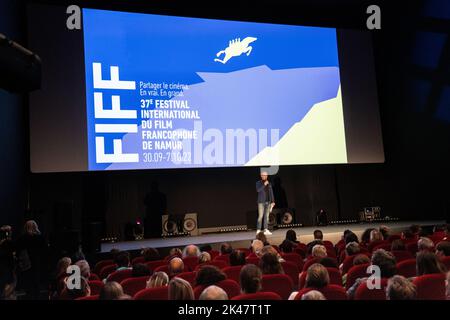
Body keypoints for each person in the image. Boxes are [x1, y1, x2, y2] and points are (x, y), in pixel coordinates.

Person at [15, 220, 47, 300]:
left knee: (28, 282)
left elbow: (17, 250)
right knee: (36, 282)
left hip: (26, 262)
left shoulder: (22, 238)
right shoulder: (40, 238)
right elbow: (45, 251)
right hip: (38, 262)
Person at [255, 170, 275, 235]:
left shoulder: (269, 183)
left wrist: (273, 201)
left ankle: (266, 229)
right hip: (261, 202)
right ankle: (258, 230)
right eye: (263, 175)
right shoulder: (258, 183)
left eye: (266, 175)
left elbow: (271, 192)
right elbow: (258, 190)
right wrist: (264, 184)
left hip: (268, 202)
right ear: (261, 176)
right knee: (260, 216)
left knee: (267, 216)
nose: (265, 176)